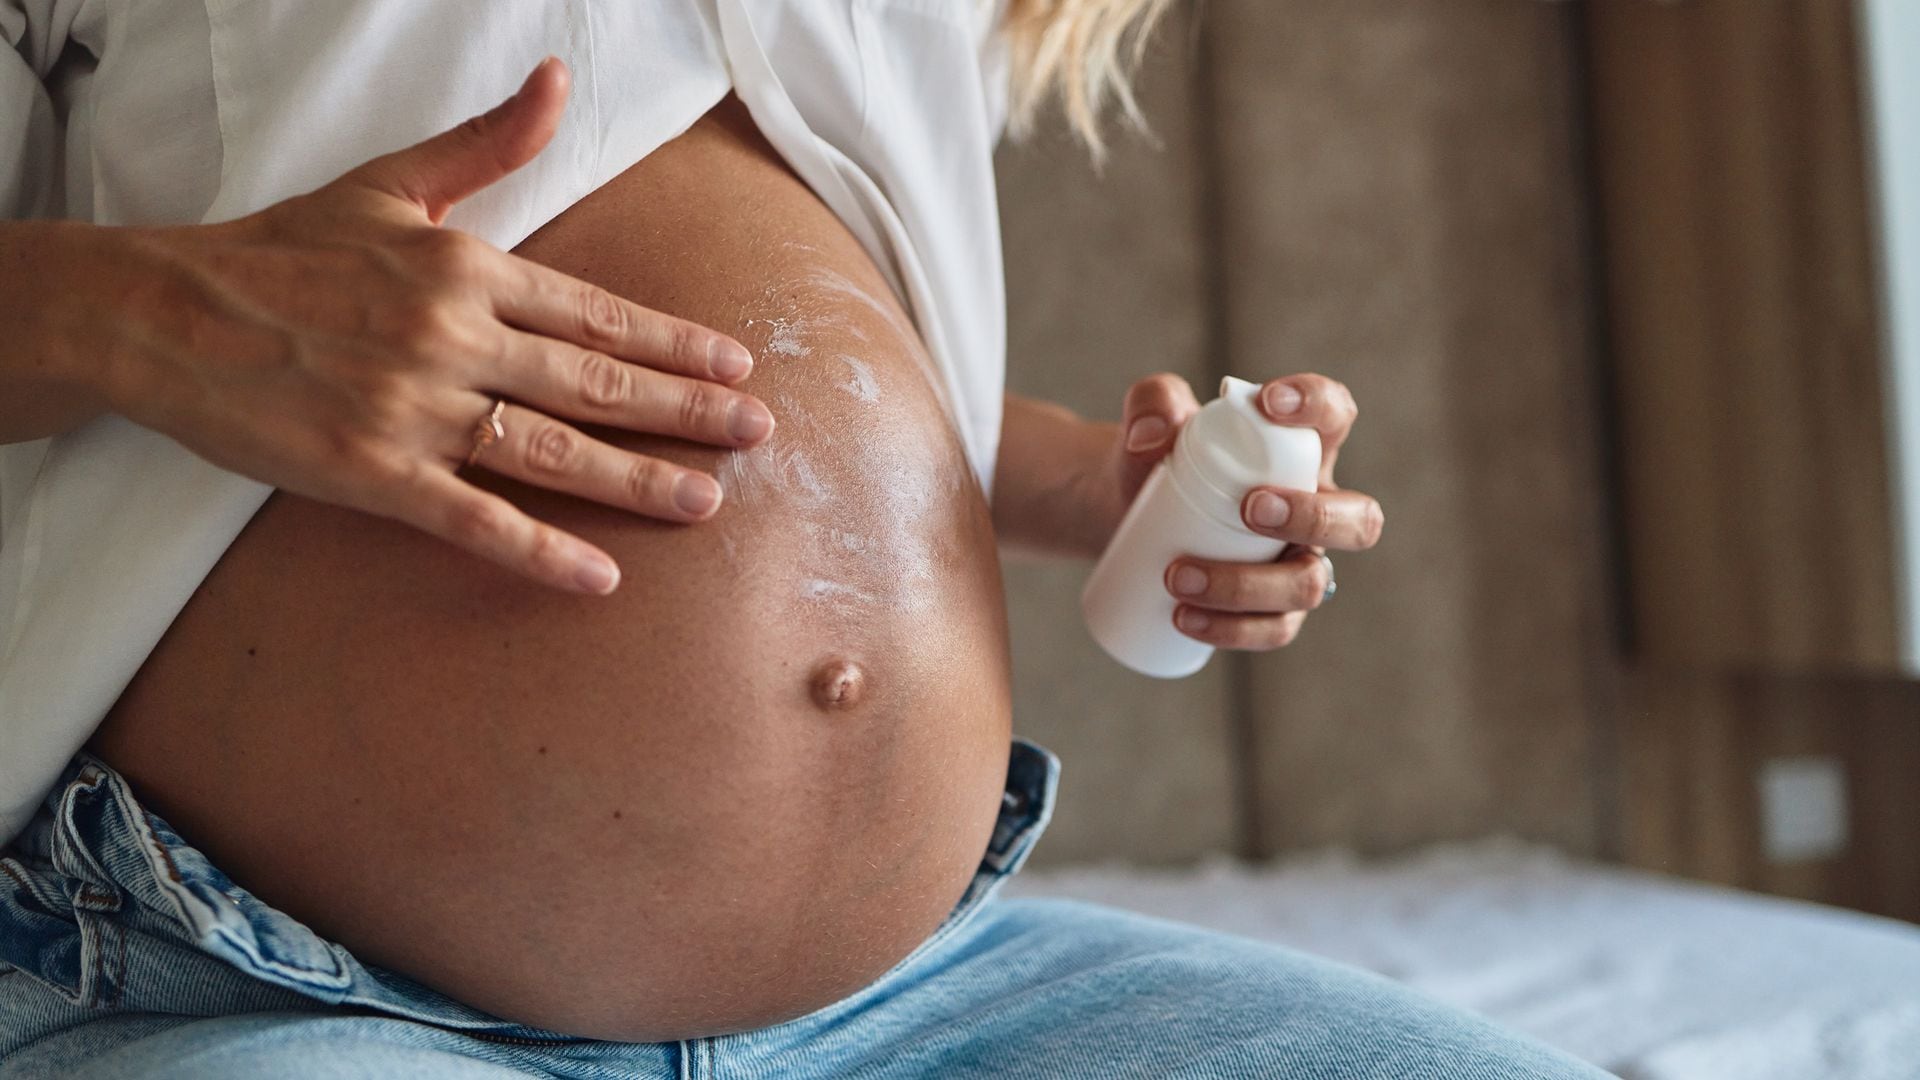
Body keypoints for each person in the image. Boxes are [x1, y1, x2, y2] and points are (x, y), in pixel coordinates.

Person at [0, 1, 1606, 1076]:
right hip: (254, 977)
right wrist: (168, 319)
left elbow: (769, 351)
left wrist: (1103, 487)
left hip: (904, 999)